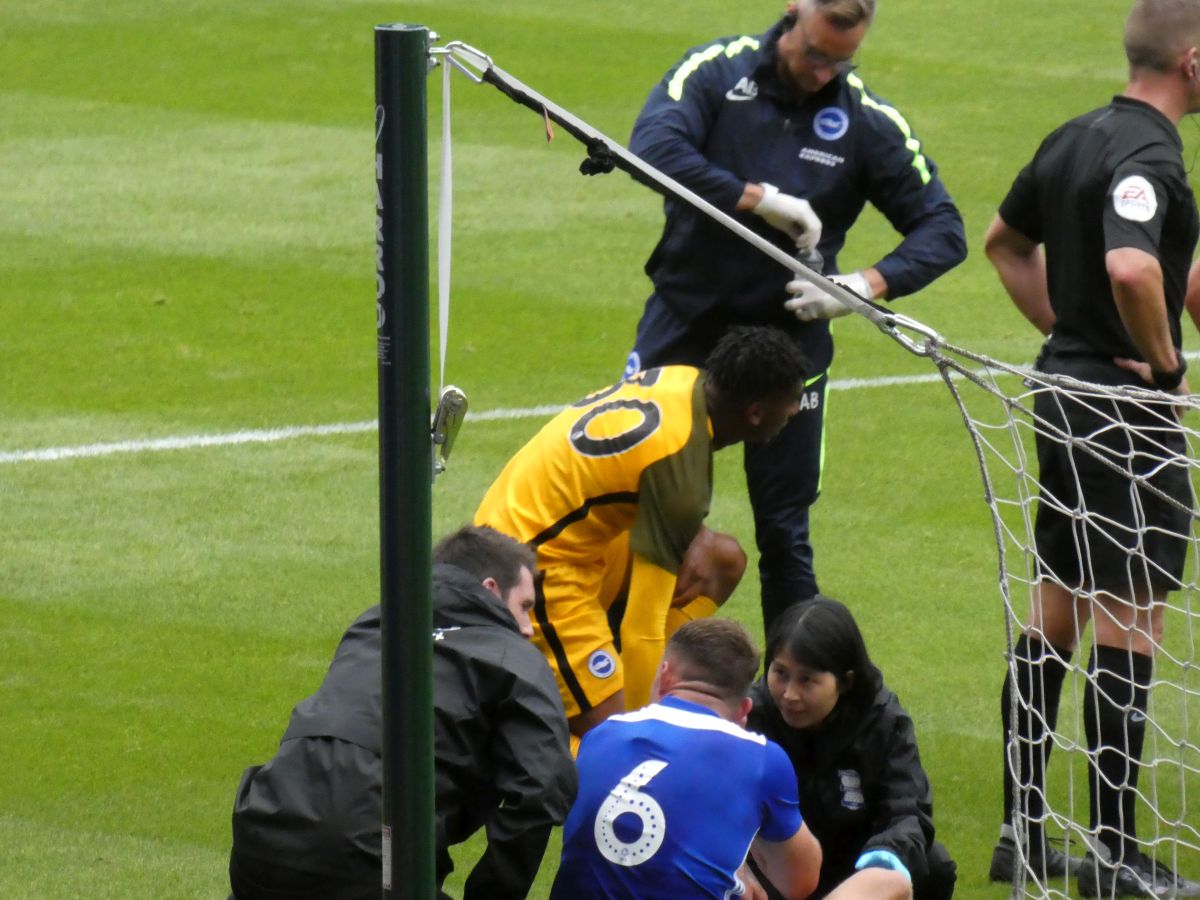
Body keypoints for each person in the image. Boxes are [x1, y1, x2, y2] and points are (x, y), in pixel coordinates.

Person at [625, 0, 967, 634]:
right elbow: (651, 148)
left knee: (784, 530)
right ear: (791, 17)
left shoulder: (864, 118)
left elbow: (944, 229)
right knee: (634, 498)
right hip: (686, 321)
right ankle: (614, 660)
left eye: (840, 61)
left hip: (787, 343)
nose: (821, 73)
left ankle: (786, 697)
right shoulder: (715, 73)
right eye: (814, 54)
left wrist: (861, 287)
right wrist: (760, 200)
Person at [983, 1, 1200, 895]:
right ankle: (1114, 853)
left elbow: (1004, 243)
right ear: (1193, 62)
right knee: (1131, 619)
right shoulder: (1149, 154)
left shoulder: (1074, 135)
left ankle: (1021, 832)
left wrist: (1066, 333)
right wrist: (1162, 365)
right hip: (1124, 415)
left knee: (1055, 613)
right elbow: (1133, 267)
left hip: (1063, 396)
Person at [476, 325, 808, 743]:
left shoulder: (684, 379)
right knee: (610, 739)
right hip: (532, 567)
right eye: (790, 403)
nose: (795, 412)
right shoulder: (680, 472)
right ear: (756, 412)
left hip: (557, 534)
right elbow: (642, 630)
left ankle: (618, 674)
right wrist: (647, 730)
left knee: (719, 559)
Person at [228, 525, 577, 900]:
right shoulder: (514, 656)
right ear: (491, 589)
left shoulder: (373, 624)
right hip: (369, 852)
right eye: (525, 607)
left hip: (261, 829)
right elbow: (542, 791)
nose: (527, 628)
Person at [551, 617, 912, 900]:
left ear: (664, 677)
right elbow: (801, 883)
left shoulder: (599, 738)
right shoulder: (761, 759)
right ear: (744, 711)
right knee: (888, 882)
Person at [746, 596, 956, 900]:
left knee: (933, 864)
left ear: (845, 682)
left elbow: (907, 812)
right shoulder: (750, 716)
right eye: (780, 673)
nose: (789, 694)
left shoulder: (883, 721)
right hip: (778, 870)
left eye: (807, 680)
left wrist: (880, 865)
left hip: (856, 871)